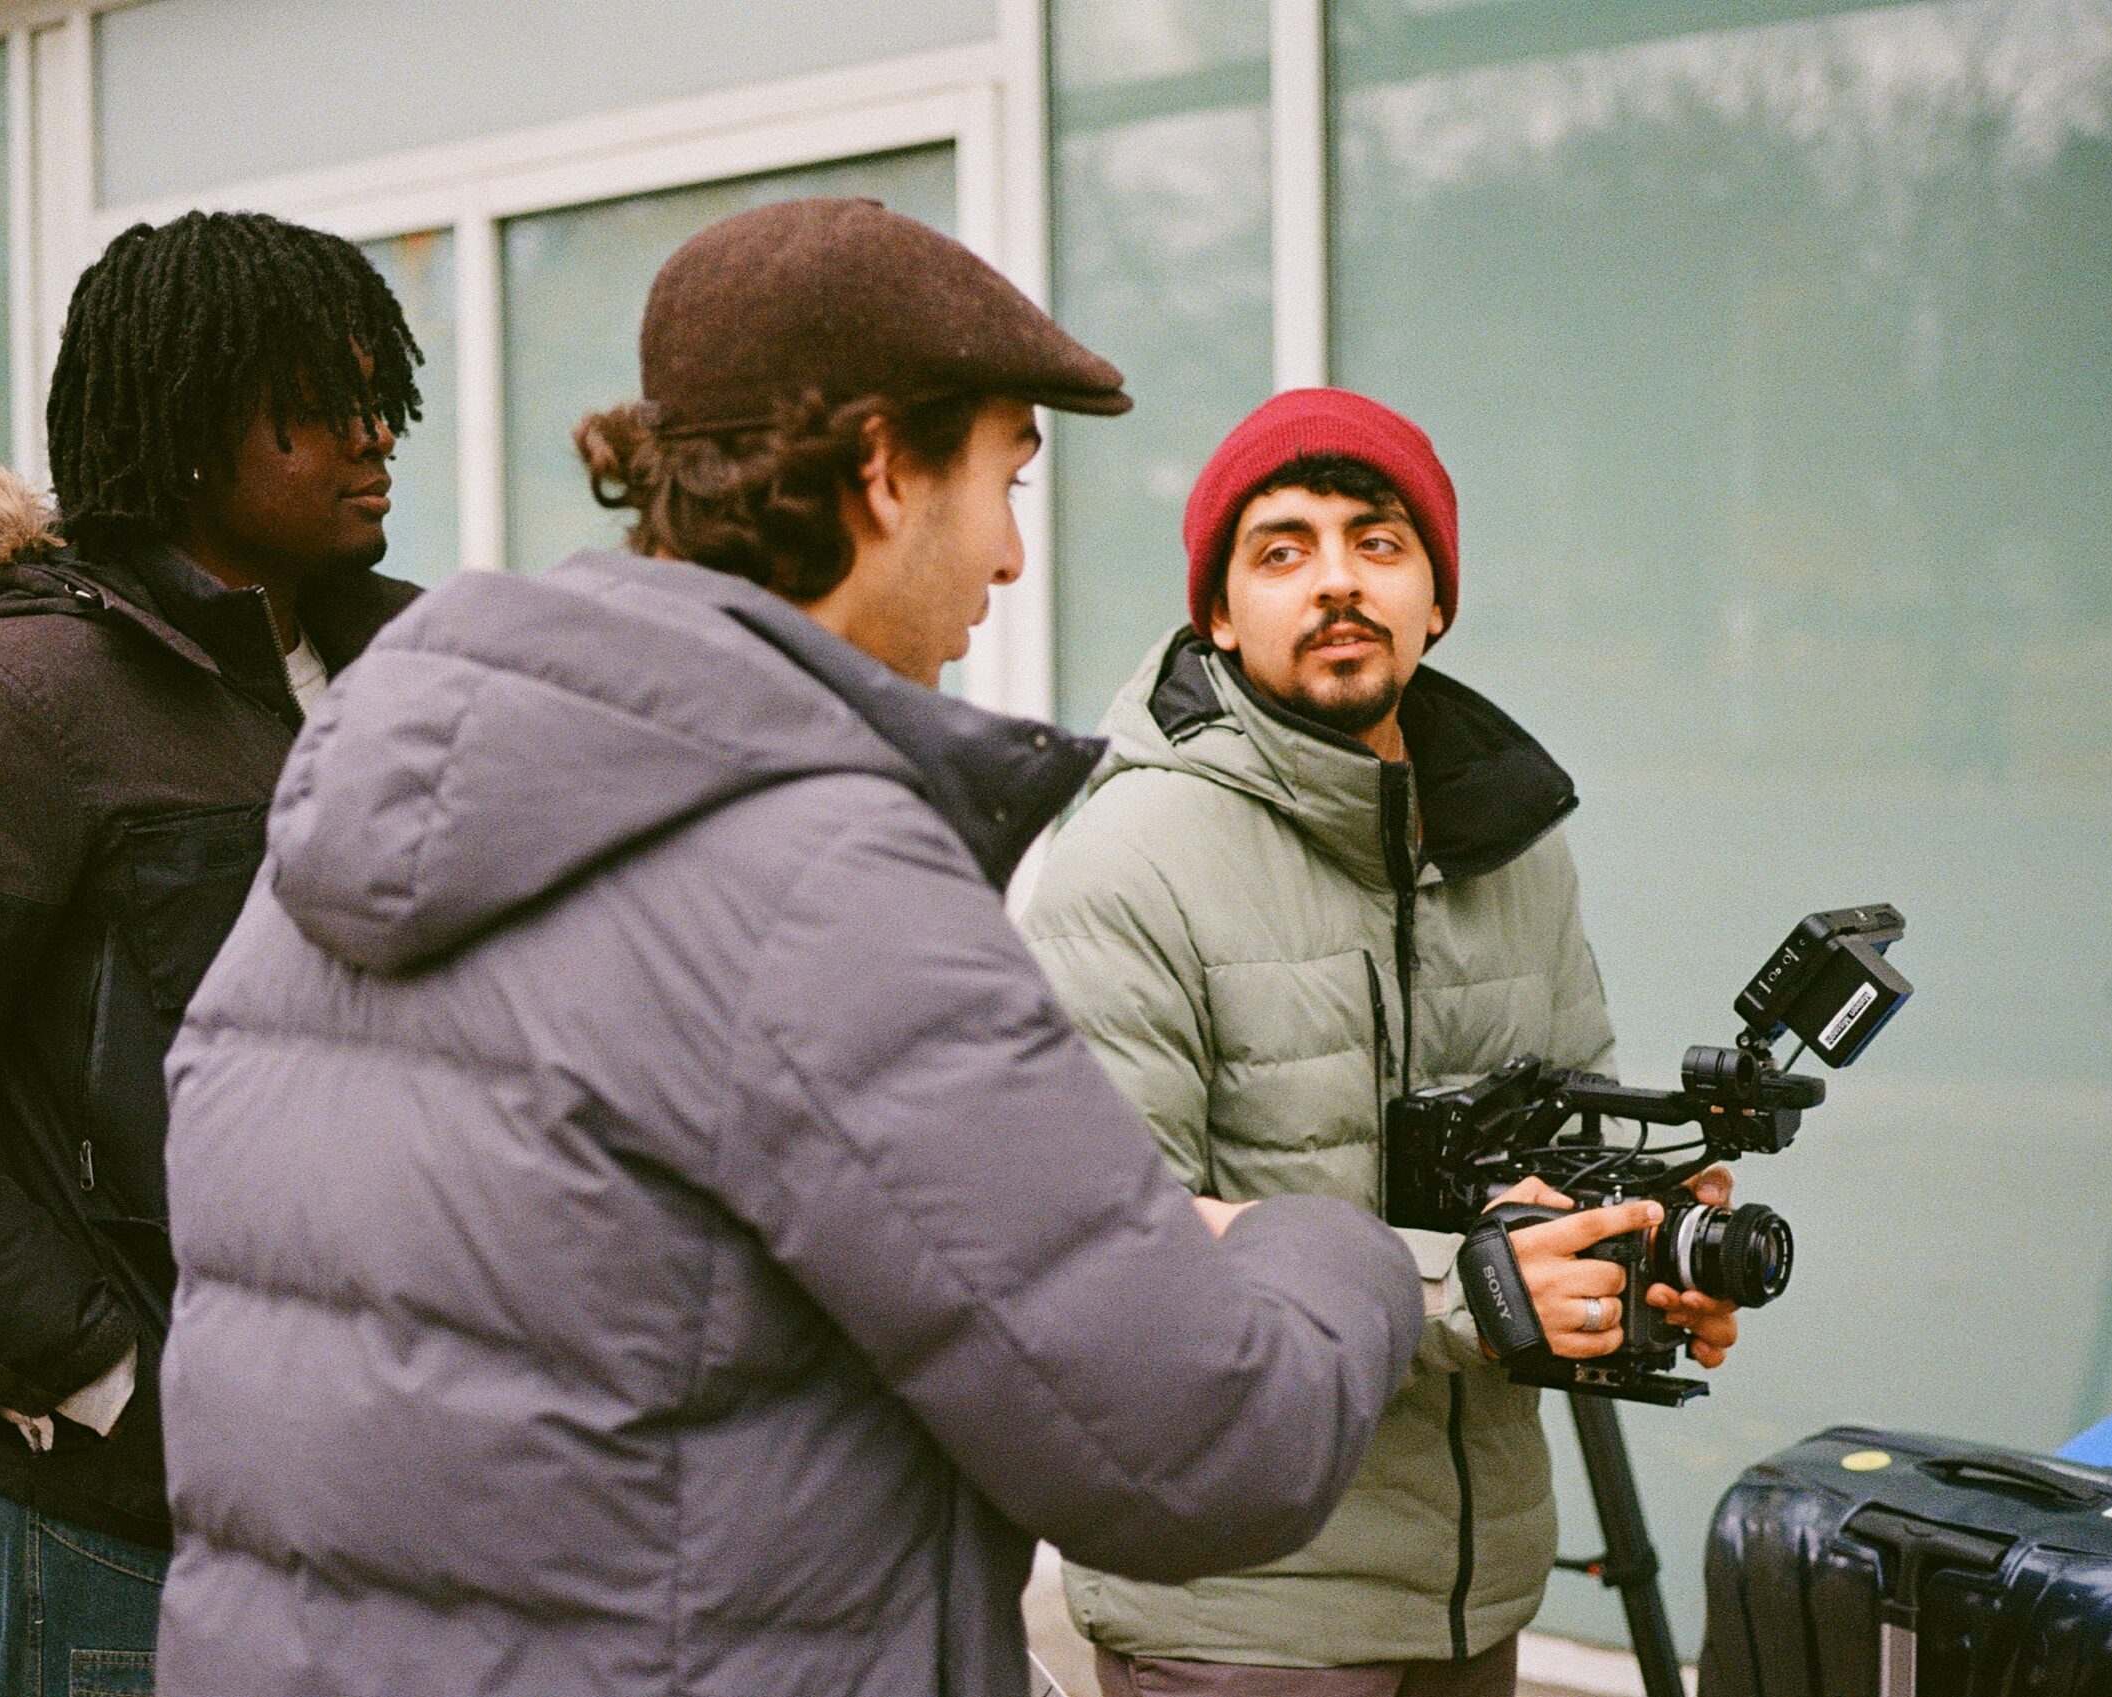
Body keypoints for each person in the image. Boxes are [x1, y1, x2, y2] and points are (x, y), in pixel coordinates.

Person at [153, 199, 1426, 1697]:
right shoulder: (820, 881)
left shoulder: (352, 811)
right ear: (885, 470)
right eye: (1006, 480)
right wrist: (1328, 1245)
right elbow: (1196, 1446)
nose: (1014, 556)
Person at [0, 210, 425, 1697]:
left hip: (385, 1492)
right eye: (323, 399)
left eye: (382, 390)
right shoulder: (21, 696)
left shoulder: (407, 671)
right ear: (187, 433)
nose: (377, 433)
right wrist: (112, 1383)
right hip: (132, 1536)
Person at [1020, 387, 1745, 1696]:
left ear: (1437, 596)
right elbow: (1111, 1242)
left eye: (1377, 541)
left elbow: (1564, 1144)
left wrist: (1646, 1247)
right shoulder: (1126, 862)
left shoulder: (1510, 841)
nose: (1337, 581)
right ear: (1218, 613)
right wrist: (1465, 1291)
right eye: (1282, 550)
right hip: (1239, 1604)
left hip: (1477, 1588)